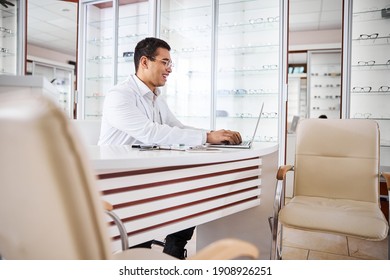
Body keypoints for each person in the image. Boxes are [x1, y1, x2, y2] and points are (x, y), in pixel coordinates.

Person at [98, 37, 242, 259]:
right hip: (119, 180)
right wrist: (206, 136)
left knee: (195, 189)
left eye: (170, 64)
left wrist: (213, 135)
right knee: (152, 215)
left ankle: (174, 252)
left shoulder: (155, 97)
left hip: (143, 173)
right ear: (145, 62)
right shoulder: (120, 95)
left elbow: (177, 127)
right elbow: (150, 132)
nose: (169, 69)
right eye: (165, 62)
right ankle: (139, 256)